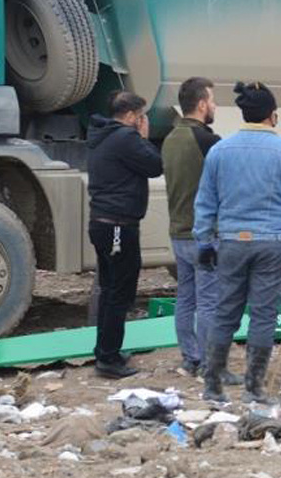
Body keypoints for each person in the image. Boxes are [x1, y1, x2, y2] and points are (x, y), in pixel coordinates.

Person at [194, 82, 281, 403]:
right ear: (273, 116)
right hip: (272, 244)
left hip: (231, 242)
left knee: (225, 311)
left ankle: (213, 387)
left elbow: (205, 201)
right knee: (263, 315)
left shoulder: (220, 151)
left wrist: (204, 242)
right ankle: (254, 389)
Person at [87, 91, 164, 379]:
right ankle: (108, 359)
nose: (145, 122)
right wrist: (143, 137)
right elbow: (155, 166)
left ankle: (106, 350)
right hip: (119, 225)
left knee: (109, 289)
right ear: (131, 116)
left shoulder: (102, 136)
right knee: (120, 293)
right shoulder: (126, 138)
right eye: (142, 117)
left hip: (102, 222)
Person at [162, 77, 226, 379]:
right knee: (210, 301)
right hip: (203, 235)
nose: (214, 106)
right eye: (212, 100)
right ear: (201, 104)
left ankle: (190, 359)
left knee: (186, 298)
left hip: (178, 231)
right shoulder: (207, 141)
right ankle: (210, 365)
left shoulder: (171, 138)